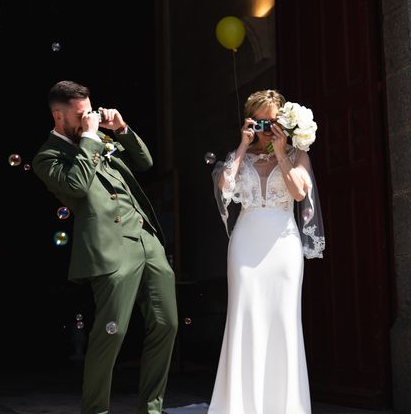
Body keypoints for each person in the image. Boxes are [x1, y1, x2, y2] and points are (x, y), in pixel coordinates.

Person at [32, 80, 178, 414]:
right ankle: (96, 410)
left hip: (146, 238)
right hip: (110, 250)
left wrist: (122, 128)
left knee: (167, 323)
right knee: (112, 333)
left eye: (90, 111)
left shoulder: (102, 137)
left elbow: (145, 162)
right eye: (80, 114)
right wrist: (90, 137)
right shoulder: (47, 157)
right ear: (59, 115)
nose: (88, 119)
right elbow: (77, 185)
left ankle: (151, 410)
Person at [209, 89, 325, 414]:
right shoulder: (239, 154)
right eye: (259, 121)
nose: (265, 127)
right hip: (245, 244)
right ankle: (240, 405)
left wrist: (281, 153)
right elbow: (225, 187)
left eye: (272, 121)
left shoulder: (298, 155)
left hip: (283, 246)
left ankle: (284, 405)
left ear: (283, 122)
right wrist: (244, 145)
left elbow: (299, 192)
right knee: (244, 315)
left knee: (283, 318)